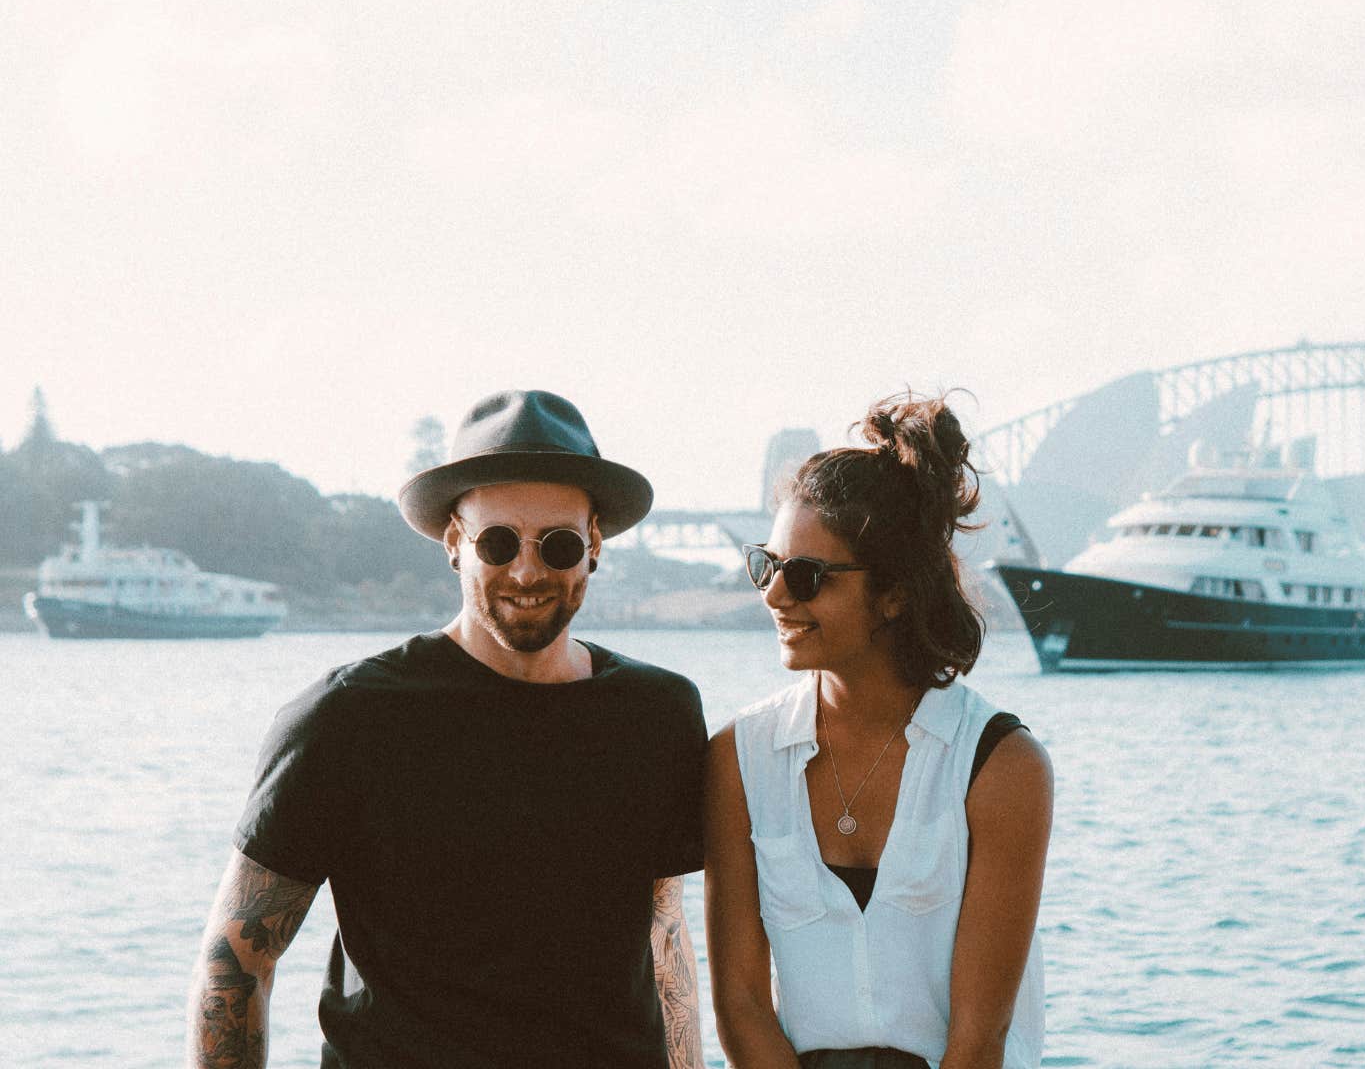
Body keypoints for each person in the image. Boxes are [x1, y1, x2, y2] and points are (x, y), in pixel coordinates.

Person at [185, 390, 708, 1068]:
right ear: (455, 544)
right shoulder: (348, 718)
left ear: (594, 546)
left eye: (557, 544)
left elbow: (665, 940)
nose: (526, 570)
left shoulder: (658, 713)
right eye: (497, 542)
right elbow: (234, 967)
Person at [704, 392, 1052, 1069]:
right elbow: (741, 1002)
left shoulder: (1000, 766)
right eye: (767, 566)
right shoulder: (738, 759)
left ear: (894, 593)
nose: (774, 596)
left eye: (805, 577)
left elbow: (979, 1041)